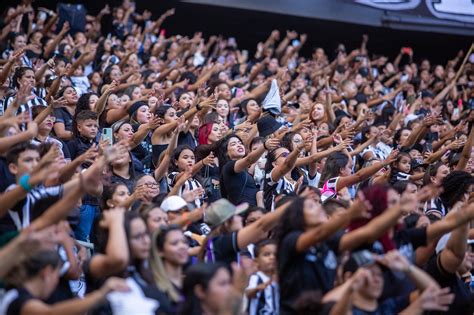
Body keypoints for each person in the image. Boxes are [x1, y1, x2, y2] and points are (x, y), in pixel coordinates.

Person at [245, 239, 279, 315]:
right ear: (256, 262)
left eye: (275, 255)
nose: (272, 258)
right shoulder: (256, 278)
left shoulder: (277, 279)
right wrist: (257, 288)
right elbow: (247, 293)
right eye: (267, 254)